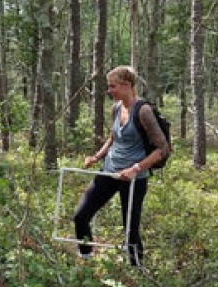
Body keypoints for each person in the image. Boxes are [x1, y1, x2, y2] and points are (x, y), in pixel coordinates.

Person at [73, 66, 170, 267]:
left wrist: (136, 168)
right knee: (80, 216)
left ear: (127, 85)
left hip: (134, 179)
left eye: (113, 86)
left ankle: (137, 272)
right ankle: (87, 260)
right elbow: (113, 137)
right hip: (109, 172)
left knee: (130, 231)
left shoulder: (143, 111)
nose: (109, 90)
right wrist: (97, 156)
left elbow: (162, 149)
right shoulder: (116, 107)